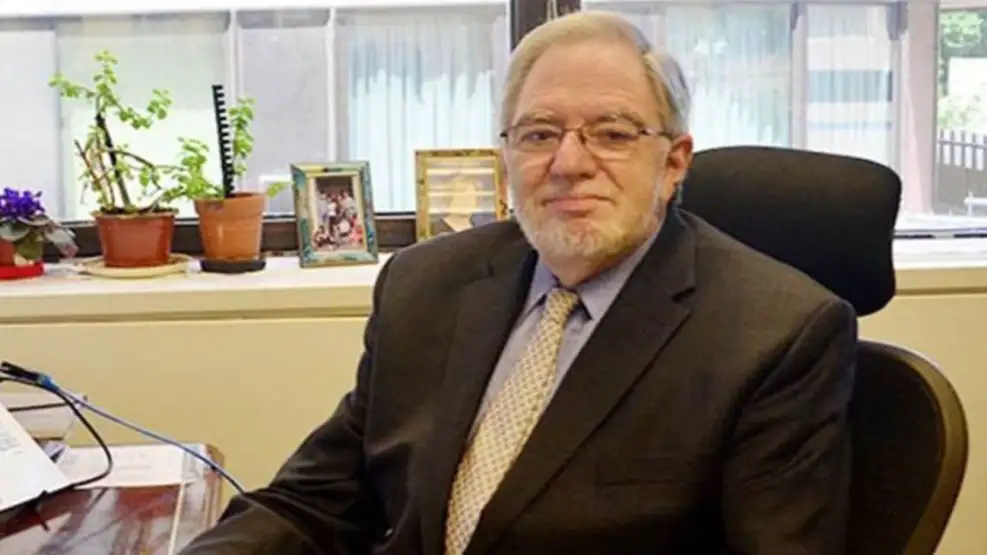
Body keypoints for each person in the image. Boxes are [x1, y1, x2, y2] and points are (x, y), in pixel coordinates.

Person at [179, 10, 855, 555]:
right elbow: (315, 500)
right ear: (505, 155)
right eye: (537, 135)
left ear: (674, 162)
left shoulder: (776, 335)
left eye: (612, 134)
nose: (568, 163)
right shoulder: (425, 284)